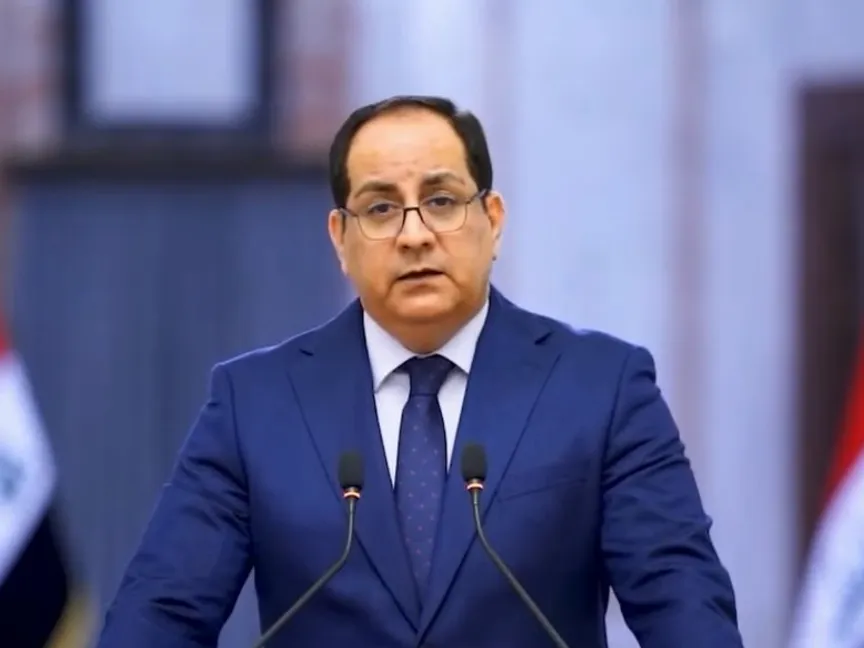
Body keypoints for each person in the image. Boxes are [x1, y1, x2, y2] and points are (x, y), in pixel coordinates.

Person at [96, 95, 743, 648]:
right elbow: (160, 615)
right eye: (381, 209)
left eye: (440, 200)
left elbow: (683, 607)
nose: (414, 235)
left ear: (492, 221)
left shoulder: (601, 388)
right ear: (340, 238)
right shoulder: (256, 403)